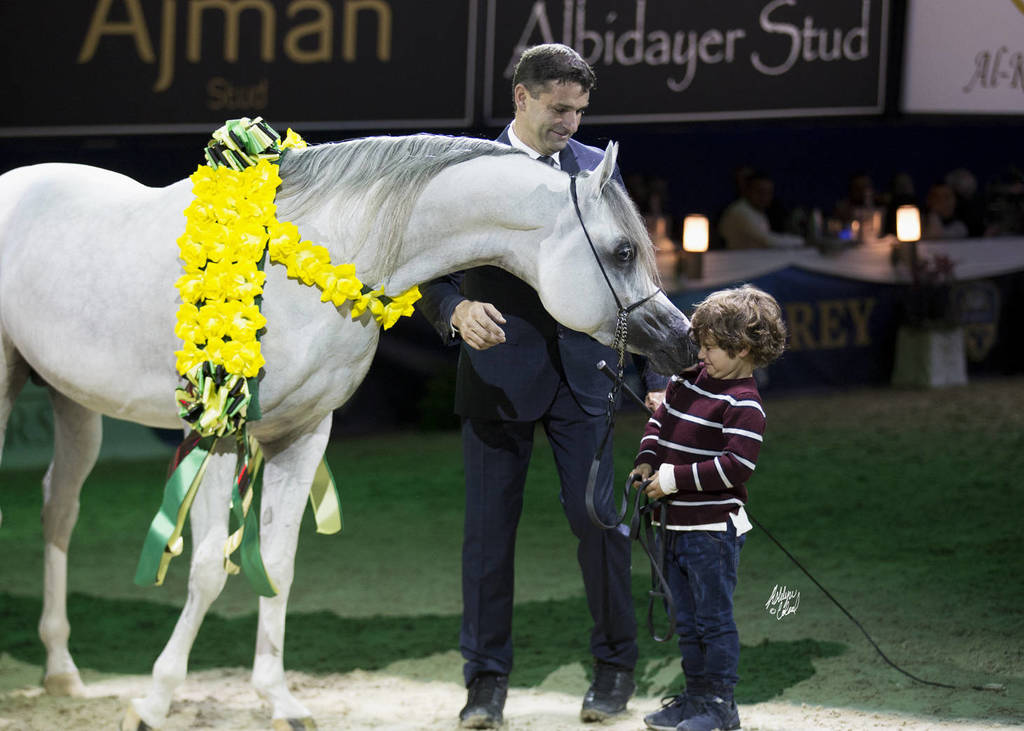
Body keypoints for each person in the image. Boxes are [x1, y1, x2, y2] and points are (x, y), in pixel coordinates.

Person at [417, 43, 669, 728]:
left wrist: (653, 373)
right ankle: (486, 683)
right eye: (560, 109)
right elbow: (425, 267)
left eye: (581, 111)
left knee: (599, 524)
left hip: (585, 377)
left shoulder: (595, 170)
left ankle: (616, 666)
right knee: (488, 537)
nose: (572, 124)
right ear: (521, 98)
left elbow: (635, 274)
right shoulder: (468, 173)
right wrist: (454, 310)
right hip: (497, 379)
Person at [629, 284, 786, 731]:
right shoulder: (688, 380)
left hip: (712, 532)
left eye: (711, 347)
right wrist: (646, 460)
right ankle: (695, 697)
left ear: (743, 348)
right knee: (687, 618)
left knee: (713, 621)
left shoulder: (745, 406)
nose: (702, 354)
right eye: (700, 344)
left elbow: (736, 466)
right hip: (671, 526)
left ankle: (720, 706)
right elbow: (660, 421)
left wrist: (673, 479)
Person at [717, 170, 803, 249]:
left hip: (751, 261)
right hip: (735, 263)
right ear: (747, 191)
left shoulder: (759, 212)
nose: (764, 197)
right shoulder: (740, 212)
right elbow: (767, 240)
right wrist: (802, 241)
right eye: (760, 192)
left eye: (769, 193)